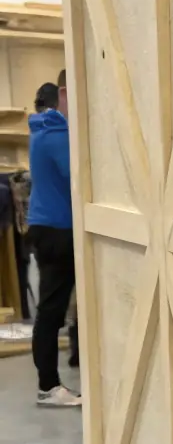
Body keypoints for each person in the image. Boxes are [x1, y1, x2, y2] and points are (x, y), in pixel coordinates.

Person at [27, 71, 80, 407]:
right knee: (51, 311)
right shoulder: (57, 133)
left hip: (48, 228)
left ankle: (50, 383)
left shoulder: (43, 130)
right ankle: (48, 385)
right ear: (64, 93)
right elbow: (80, 175)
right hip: (57, 231)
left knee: (53, 309)